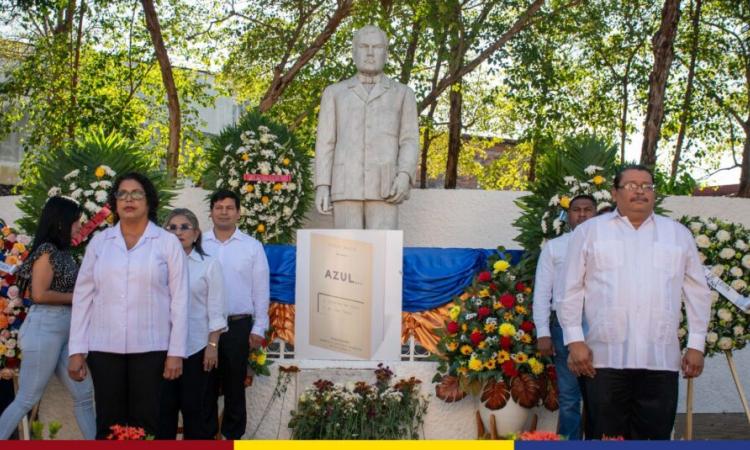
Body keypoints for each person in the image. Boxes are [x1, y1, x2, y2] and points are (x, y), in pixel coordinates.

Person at [559, 165, 712, 440]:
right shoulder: (590, 233)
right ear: (614, 193)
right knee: (604, 435)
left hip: (661, 359)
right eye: (631, 185)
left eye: (647, 186)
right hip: (603, 359)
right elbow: (569, 288)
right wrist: (575, 341)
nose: (640, 191)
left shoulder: (677, 235)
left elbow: (697, 292)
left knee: (654, 436)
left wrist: (696, 345)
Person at [67, 172, 188, 439]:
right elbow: (83, 298)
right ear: (114, 202)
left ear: (149, 201)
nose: (128, 199)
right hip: (104, 348)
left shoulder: (167, 243)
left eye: (136, 194)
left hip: (152, 350)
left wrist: (175, 352)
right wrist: (76, 349)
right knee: (108, 426)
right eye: (122, 194)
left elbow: (180, 300)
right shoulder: (100, 243)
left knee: (147, 425)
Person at [0, 197, 96, 439]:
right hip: (45, 327)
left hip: (65, 330)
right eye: (75, 221)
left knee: (84, 395)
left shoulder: (63, 252)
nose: (78, 226)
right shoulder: (47, 251)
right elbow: (39, 294)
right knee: (27, 398)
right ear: (62, 221)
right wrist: (78, 297)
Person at [314, 25, 419, 229]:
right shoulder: (334, 93)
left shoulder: (403, 94)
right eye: (363, 46)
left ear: (386, 53)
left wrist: (405, 175)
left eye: (377, 47)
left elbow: (409, 140)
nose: (370, 53)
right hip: (345, 185)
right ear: (353, 52)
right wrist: (322, 185)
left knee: (384, 253)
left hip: (386, 186)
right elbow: (326, 142)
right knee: (346, 252)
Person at [202, 190, 269, 439]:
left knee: (234, 387)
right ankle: (207, 437)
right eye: (218, 207)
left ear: (238, 213)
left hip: (238, 326)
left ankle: (232, 438)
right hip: (204, 327)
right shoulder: (200, 243)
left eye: (229, 208)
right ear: (211, 212)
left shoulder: (251, 246)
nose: (223, 212)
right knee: (204, 386)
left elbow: (261, 289)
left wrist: (258, 328)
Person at [157, 208, 226, 440]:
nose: (178, 232)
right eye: (172, 227)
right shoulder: (157, 265)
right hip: (161, 350)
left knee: (195, 413)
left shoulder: (209, 265)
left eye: (184, 227)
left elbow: (216, 309)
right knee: (162, 413)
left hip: (197, 349)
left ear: (196, 234)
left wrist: (212, 346)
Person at [532, 194, 596, 440]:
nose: (582, 214)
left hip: (601, 326)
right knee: (569, 396)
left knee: (601, 394)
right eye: (576, 210)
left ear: (596, 214)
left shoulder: (608, 246)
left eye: (587, 209)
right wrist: (543, 332)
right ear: (568, 216)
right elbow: (542, 291)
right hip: (563, 328)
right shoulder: (554, 247)